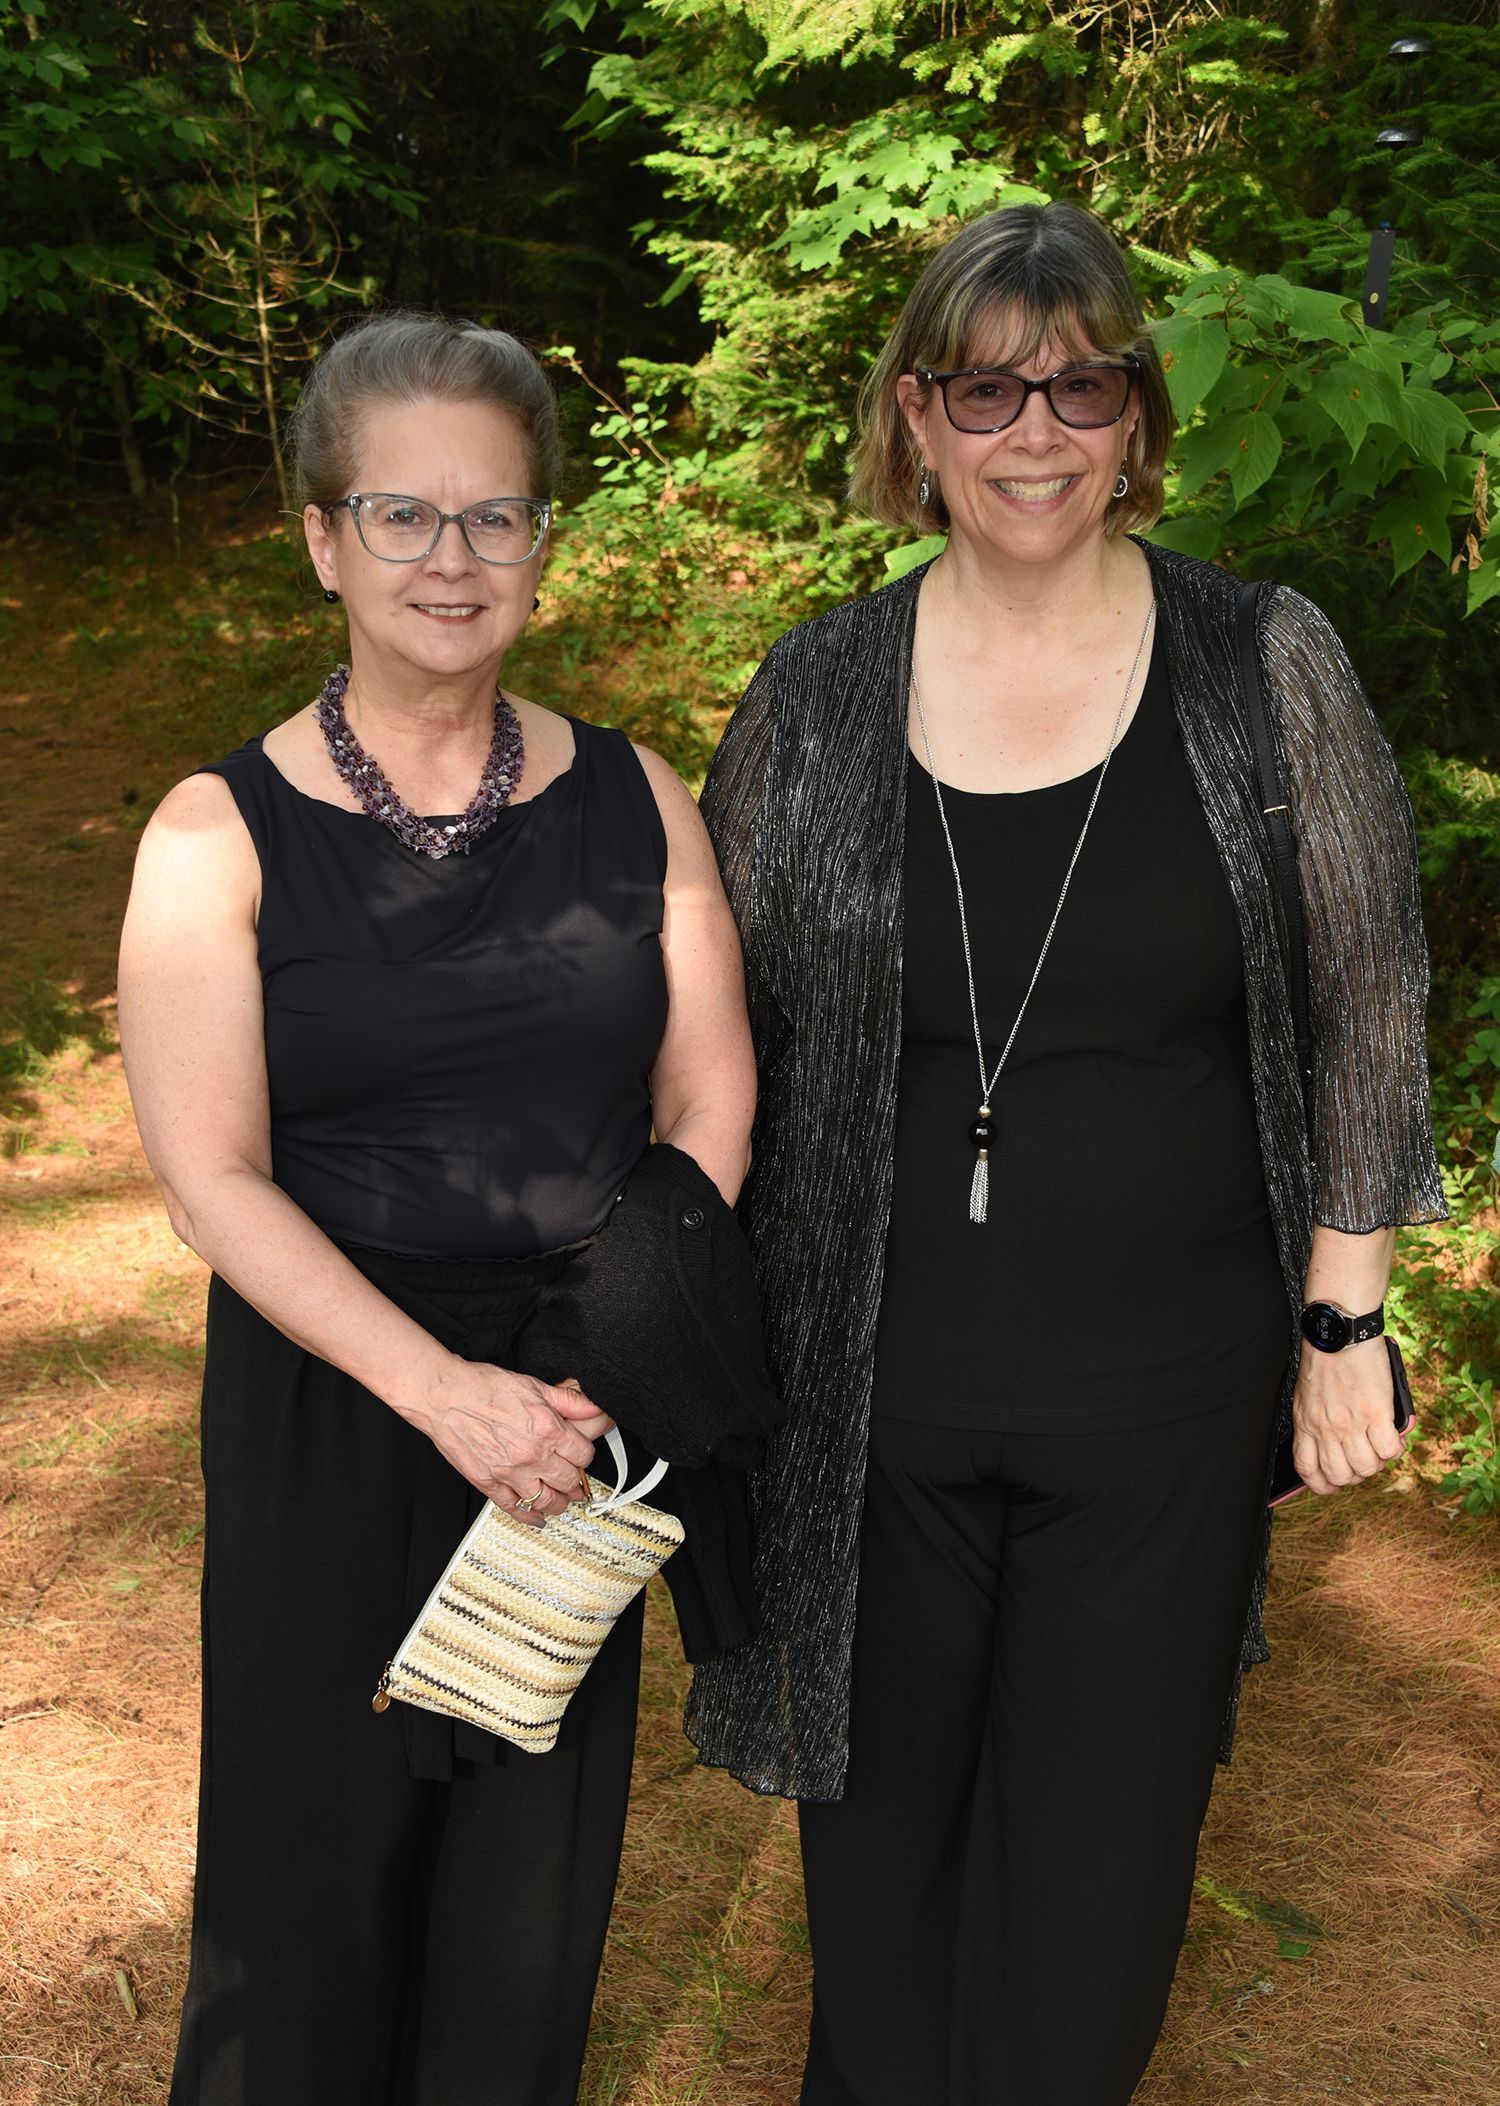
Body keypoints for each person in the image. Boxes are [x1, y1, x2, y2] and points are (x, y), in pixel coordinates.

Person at [685, 201, 1445, 2106]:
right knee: (878, 1931)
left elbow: (1368, 990)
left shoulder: (1262, 662)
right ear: (915, 421)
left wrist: (1346, 1317)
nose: (1036, 431)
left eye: (1081, 383)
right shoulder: (817, 690)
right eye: (987, 389)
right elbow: (703, 1031)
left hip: (1164, 1423)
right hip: (867, 1419)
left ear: (1136, 415)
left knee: (1086, 1943)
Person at [118, 312, 756, 2106]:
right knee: (304, 1905)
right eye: (402, 515)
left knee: (522, 1918)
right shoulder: (213, 834)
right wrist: (444, 1394)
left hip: (578, 1398)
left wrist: (596, 1345)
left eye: (496, 518)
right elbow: (211, 1175)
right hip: (335, 1401)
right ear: (324, 538)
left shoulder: (642, 798)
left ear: (546, 541)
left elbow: (710, 1096)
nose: (452, 560)